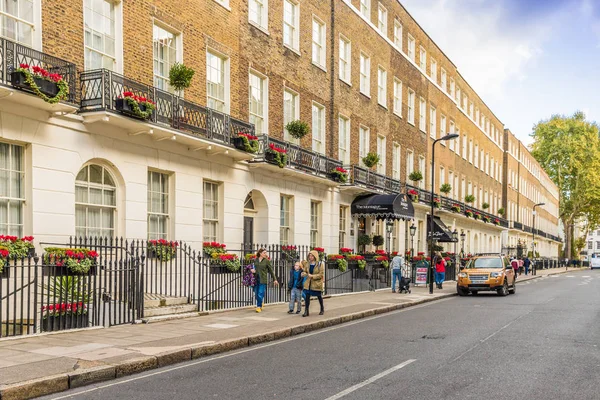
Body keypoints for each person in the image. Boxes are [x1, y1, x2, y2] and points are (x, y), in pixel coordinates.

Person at [250, 248, 279, 313]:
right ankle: (260, 302)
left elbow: (271, 270)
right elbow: (252, 267)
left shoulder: (266, 261)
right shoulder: (255, 260)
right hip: (255, 279)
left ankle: (258, 306)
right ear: (260, 253)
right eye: (264, 253)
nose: (265, 254)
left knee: (260, 293)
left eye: (266, 253)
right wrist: (252, 270)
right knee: (257, 293)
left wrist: (275, 279)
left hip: (263, 279)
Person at [301, 250, 324, 317]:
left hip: (316, 283)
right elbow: (305, 271)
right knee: (307, 297)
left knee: (319, 296)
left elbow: (321, 275)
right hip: (308, 283)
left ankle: (322, 308)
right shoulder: (307, 264)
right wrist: (303, 273)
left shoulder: (320, 264)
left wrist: (312, 276)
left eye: (312, 256)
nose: (310, 257)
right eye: (309, 256)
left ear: (315, 256)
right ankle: (306, 311)